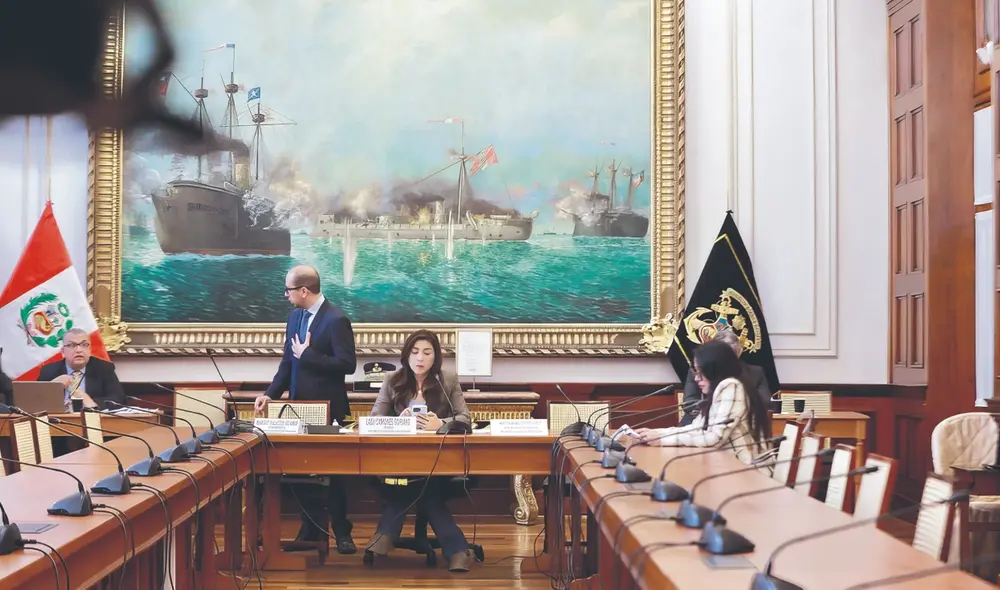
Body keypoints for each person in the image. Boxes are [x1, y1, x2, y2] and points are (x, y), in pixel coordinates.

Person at [254, 264, 358, 554]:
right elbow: (287, 364)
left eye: (288, 290)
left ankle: (341, 530)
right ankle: (311, 526)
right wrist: (269, 394)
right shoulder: (294, 318)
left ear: (303, 291)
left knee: (334, 473)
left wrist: (309, 355)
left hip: (332, 410)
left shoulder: (337, 319)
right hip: (299, 408)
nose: (285, 295)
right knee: (300, 468)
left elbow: (347, 365)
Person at [363, 329, 475, 572]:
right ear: (406, 356)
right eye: (414, 353)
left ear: (435, 357)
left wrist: (441, 424)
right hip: (398, 460)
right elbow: (373, 420)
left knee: (424, 485)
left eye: (426, 352)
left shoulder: (447, 380)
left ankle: (386, 533)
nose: (420, 358)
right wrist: (399, 421)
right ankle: (457, 550)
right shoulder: (392, 380)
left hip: (439, 462)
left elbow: (465, 417)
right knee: (424, 488)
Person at [635, 339, 771, 465]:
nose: (696, 379)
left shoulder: (731, 386)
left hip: (748, 471)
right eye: (696, 372)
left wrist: (662, 440)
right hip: (727, 466)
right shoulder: (720, 390)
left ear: (715, 370)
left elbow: (715, 438)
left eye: (701, 372)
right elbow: (696, 428)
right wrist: (656, 433)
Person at [678, 329, 773, 427]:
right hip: (697, 421)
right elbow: (689, 403)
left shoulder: (755, 373)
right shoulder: (698, 371)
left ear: (739, 352)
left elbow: (765, 403)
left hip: (741, 423)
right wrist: (713, 410)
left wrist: (732, 406)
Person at [38, 328, 125, 410]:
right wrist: (52, 387)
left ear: (89, 349)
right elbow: (35, 401)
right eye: (72, 345)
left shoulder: (103, 368)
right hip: (59, 421)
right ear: (63, 352)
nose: (79, 350)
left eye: (84, 345)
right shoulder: (49, 370)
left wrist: (90, 402)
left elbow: (118, 399)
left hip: (91, 421)